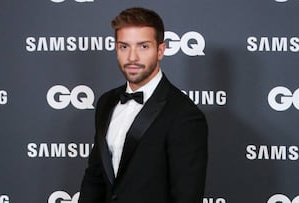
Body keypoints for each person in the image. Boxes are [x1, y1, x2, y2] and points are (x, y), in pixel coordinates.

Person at [79, 7, 208, 203]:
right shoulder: (106, 102)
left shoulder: (184, 114)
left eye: (143, 46)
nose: (132, 57)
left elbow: (187, 197)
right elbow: (95, 177)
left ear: (160, 50)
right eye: (124, 46)